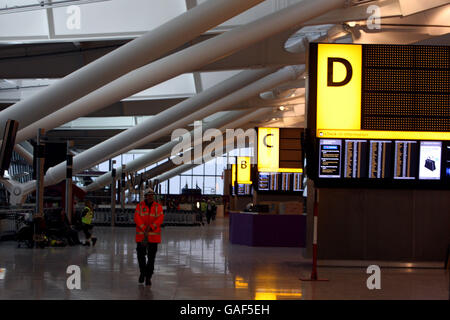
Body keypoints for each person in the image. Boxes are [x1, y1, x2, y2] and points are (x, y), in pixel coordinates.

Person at [134, 188, 164, 286]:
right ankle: (143, 272)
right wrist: (143, 228)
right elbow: (137, 218)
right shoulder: (139, 206)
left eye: (152, 195)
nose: (150, 197)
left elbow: (160, 219)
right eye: (149, 195)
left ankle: (148, 277)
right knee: (140, 257)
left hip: (153, 237)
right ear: (145, 196)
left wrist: (151, 227)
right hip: (141, 237)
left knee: (151, 258)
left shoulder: (158, 207)